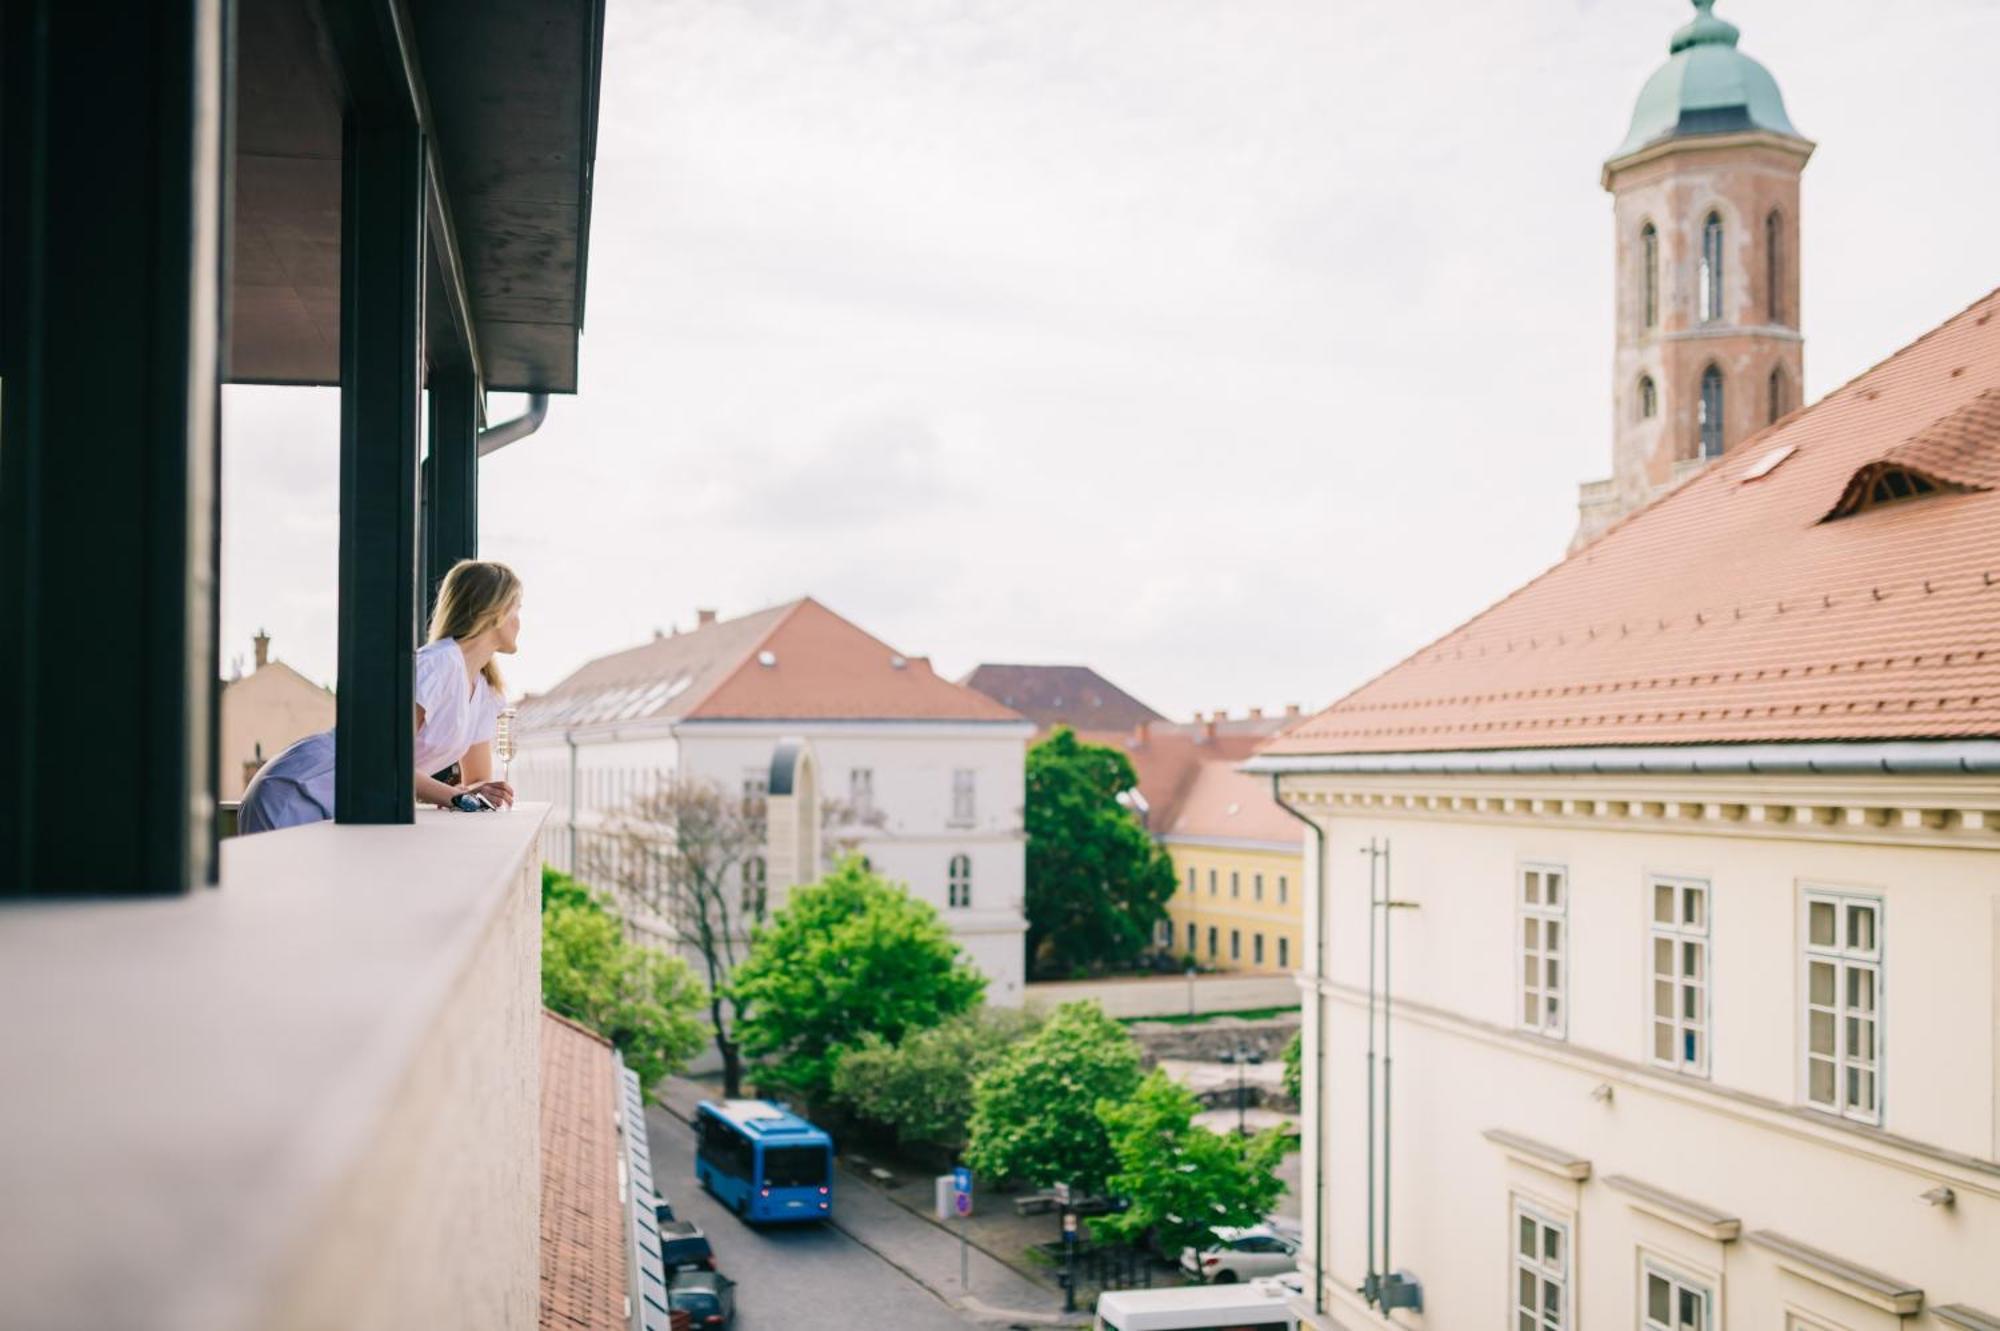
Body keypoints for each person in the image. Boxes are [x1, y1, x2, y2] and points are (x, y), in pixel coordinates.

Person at [239, 560, 520, 833]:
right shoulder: (437, 665)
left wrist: (472, 795)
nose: (519, 622)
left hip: (352, 801)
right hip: (303, 789)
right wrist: (457, 798)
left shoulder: (485, 690)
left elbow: (478, 782)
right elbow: (385, 761)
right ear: (494, 612)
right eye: (516, 610)